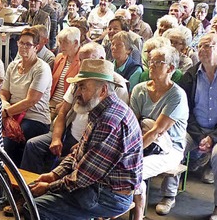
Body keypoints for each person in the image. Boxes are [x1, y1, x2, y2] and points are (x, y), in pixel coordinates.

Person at [28, 59, 142, 219]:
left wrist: (48, 187)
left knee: (33, 208)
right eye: (77, 86)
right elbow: (80, 152)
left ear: (103, 90)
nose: (76, 93)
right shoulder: (101, 110)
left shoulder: (109, 121)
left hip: (110, 196)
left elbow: (83, 177)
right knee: (35, 198)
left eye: (82, 86)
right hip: (99, 186)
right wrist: (54, 174)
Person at [163, 33, 217, 220]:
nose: (201, 50)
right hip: (195, 129)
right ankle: (168, 195)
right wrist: (200, 135)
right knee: (176, 145)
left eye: (207, 46)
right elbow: (185, 111)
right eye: (200, 45)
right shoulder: (191, 75)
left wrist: (213, 138)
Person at [20, 42, 129, 174]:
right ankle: (25, 190)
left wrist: (81, 146)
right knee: (33, 145)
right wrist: (56, 138)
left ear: (100, 60)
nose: (82, 64)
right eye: (81, 60)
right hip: (69, 134)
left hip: (92, 142)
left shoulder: (117, 86)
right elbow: (63, 112)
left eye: (87, 60)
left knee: (65, 165)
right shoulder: (80, 78)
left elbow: (109, 133)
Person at [129, 45, 188, 220]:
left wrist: (130, 152)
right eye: (150, 62)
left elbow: (157, 131)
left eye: (158, 62)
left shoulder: (177, 95)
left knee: (134, 170)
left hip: (169, 149)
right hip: (143, 142)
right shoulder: (140, 89)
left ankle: (138, 215)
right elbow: (132, 123)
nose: (151, 66)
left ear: (170, 68)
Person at [0, 27, 52, 166]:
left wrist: (5, 113)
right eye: (21, 43)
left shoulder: (42, 68)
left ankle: (13, 181)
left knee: (6, 143)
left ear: (36, 47)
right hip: (10, 113)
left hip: (34, 118)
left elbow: (31, 101)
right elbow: (4, 93)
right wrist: (5, 107)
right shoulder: (13, 65)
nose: (23, 47)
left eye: (28, 44)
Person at [49, 27, 82, 113]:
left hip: (68, 106)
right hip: (51, 102)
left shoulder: (83, 61)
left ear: (76, 43)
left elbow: (79, 92)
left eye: (65, 42)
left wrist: (62, 106)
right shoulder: (59, 57)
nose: (61, 46)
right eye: (60, 42)